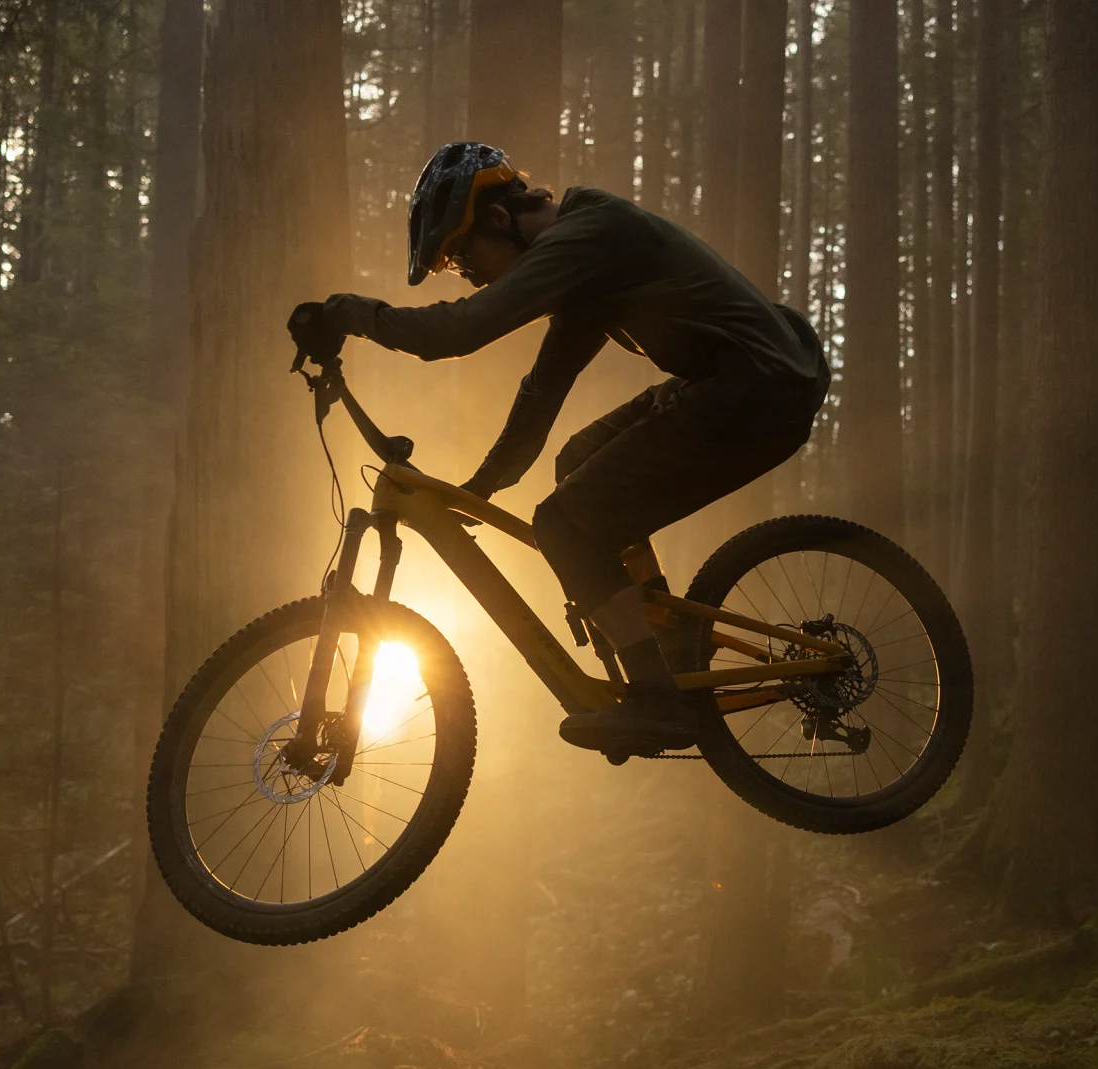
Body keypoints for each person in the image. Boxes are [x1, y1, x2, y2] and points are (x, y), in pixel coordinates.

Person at [287, 142, 831, 759]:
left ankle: (657, 700)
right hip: (742, 380)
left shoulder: (590, 237)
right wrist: (485, 485)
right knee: (576, 460)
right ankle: (665, 637)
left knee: (563, 523)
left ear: (499, 220)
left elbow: (458, 332)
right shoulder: (586, 262)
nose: (477, 277)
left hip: (757, 388)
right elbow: (542, 390)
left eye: (466, 260)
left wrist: (349, 313)